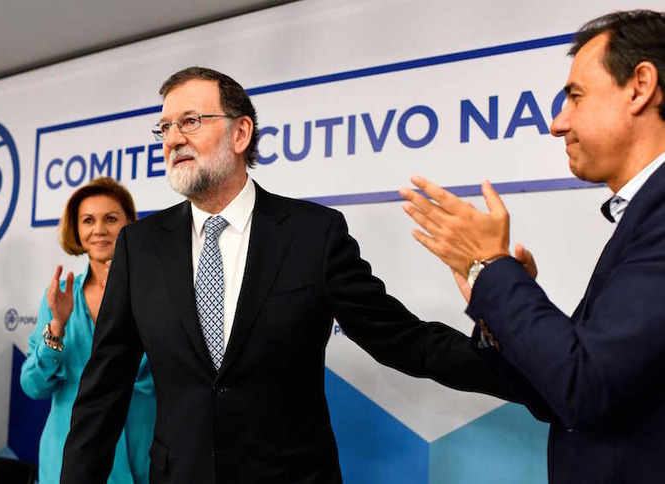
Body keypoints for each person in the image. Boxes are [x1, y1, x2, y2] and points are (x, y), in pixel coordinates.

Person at [58, 67, 523, 483]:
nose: (172, 138)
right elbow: (104, 388)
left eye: (190, 122)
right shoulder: (140, 247)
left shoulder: (313, 234)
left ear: (240, 133)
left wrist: (523, 361)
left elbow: (403, 339)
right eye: (165, 127)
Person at [400, 10, 665, 484]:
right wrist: (496, 294)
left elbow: (585, 386)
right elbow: (557, 397)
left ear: (640, 85)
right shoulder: (642, 213)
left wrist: (494, 269)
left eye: (575, 97)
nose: (557, 124)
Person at [21, 177, 156, 484]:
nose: (99, 230)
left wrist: (130, 306)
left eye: (111, 219)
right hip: (67, 461)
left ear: (131, 224)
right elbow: (33, 386)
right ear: (77, 229)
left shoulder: (157, 293)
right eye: (88, 220)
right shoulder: (59, 296)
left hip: (137, 457)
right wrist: (57, 325)